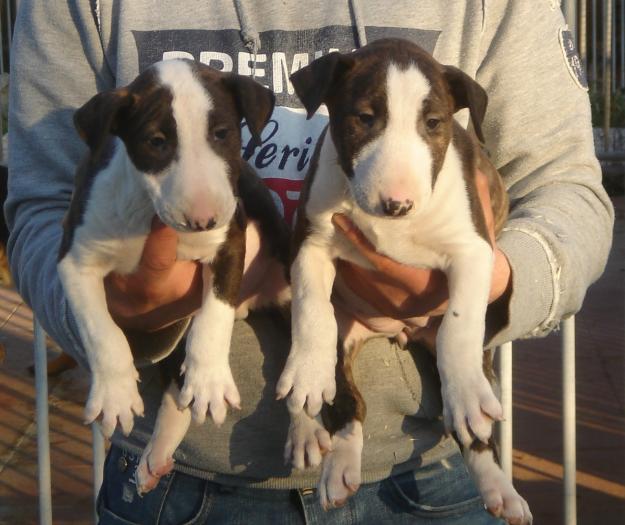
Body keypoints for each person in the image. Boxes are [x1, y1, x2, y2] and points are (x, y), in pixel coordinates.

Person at [7, 1, 613, 524]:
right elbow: (42, 208)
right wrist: (120, 319)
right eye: (365, 120)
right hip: (178, 487)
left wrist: (490, 292)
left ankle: (464, 454)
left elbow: (568, 189)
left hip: (424, 469)